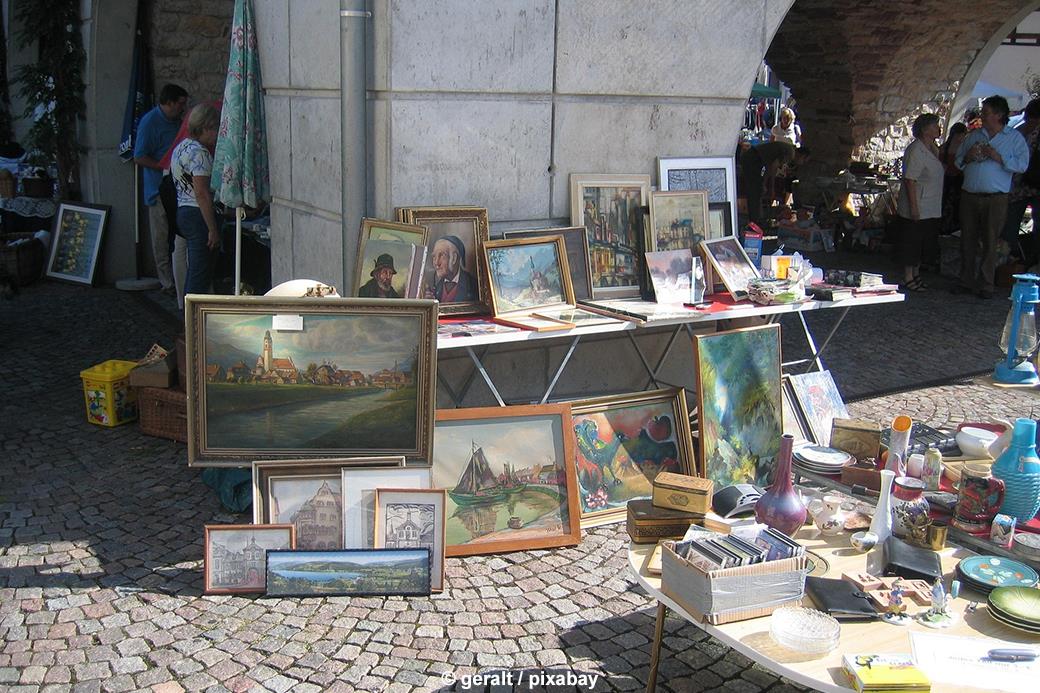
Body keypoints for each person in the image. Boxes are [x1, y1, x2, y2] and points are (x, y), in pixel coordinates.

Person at [954, 95, 1030, 298]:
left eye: (986, 112)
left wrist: (999, 158)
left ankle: (986, 283)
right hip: (970, 195)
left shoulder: (1014, 138)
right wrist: (968, 157)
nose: (982, 116)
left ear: (998, 114)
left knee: (990, 240)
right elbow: (958, 161)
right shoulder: (974, 136)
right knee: (967, 238)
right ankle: (965, 279)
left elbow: (1022, 165)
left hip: (996, 197)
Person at [133, 84, 188, 295]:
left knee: (178, 235)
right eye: (180, 104)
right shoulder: (150, 122)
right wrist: (163, 166)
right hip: (158, 189)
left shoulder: (177, 121)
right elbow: (139, 156)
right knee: (161, 236)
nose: (182, 108)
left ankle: (180, 278)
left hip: (178, 188)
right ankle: (167, 282)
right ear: (170, 103)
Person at [171, 103, 222, 298]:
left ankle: (189, 312)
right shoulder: (200, 153)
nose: (217, 134)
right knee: (199, 275)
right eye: (215, 128)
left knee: (195, 271)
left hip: (183, 210)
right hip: (198, 214)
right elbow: (202, 193)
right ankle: (191, 316)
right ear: (206, 127)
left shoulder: (180, 148)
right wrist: (212, 228)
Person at [895, 113, 944, 292]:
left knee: (923, 242)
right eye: (934, 126)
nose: (938, 128)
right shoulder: (916, 150)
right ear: (924, 129)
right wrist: (914, 207)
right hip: (918, 203)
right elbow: (910, 180)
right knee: (912, 242)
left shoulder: (931, 148)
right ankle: (908, 276)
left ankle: (916, 274)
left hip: (930, 204)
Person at [1001, 98, 1040, 263]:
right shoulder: (1019, 132)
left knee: (1012, 224)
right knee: (1012, 224)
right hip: (1023, 186)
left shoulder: (1018, 132)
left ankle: (1013, 258)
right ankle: (1019, 259)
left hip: (1021, 185)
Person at [740, 141, 810, 227]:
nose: (802, 163)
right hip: (753, 159)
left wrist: (765, 183)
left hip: (754, 157)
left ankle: (756, 219)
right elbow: (773, 167)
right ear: (801, 156)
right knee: (755, 190)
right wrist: (770, 187)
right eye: (804, 161)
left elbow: (770, 166)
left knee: (757, 190)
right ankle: (755, 222)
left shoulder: (789, 149)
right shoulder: (790, 153)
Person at [426, 235, 477, 302]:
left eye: (442, 255)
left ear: (454, 258)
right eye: (434, 256)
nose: (436, 263)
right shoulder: (436, 288)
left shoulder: (473, 285)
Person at [939, 122, 968, 235]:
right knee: (952, 205)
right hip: (954, 180)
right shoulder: (960, 148)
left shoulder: (944, 147)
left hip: (948, 180)